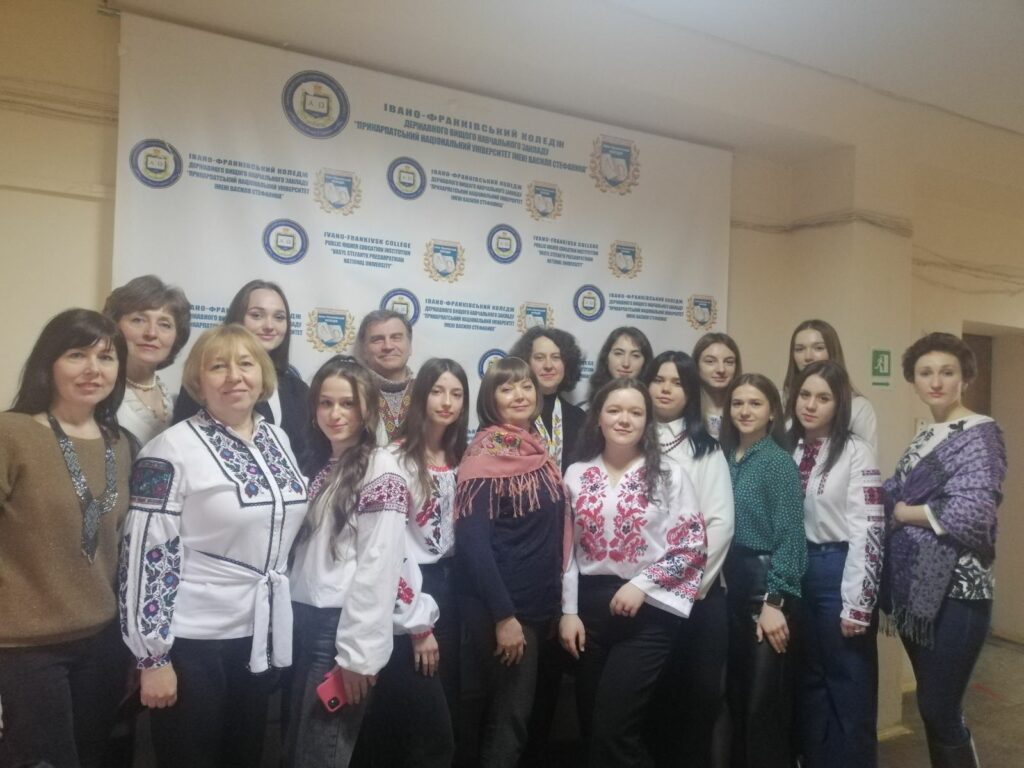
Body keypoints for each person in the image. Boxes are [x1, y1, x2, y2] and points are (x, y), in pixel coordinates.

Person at [119, 324, 308, 768]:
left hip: (257, 632)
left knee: (246, 753)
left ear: (262, 375)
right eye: (218, 366)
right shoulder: (169, 450)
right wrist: (153, 657)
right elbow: (146, 553)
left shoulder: (276, 439)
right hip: (193, 639)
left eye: (246, 364)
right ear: (197, 382)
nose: (235, 376)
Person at [0, 309, 132, 768]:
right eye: (77, 355)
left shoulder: (121, 443)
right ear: (49, 363)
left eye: (106, 357)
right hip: (26, 647)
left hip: (102, 642)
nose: (93, 369)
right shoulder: (11, 433)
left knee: (93, 756)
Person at [560, 378, 707, 768]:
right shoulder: (575, 474)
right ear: (598, 417)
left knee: (614, 731)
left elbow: (692, 546)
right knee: (592, 728)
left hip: (648, 612)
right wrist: (569, 611)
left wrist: (641, 585)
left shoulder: (670, 474)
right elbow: (566, 551)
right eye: (614, 410)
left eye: (635, 412)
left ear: (647, 421)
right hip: (588, 613)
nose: (624, 419)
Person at [882, 333, 1006, 768]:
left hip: (959, 594)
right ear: (913, 380)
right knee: (934, 710)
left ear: (964, 378)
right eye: (926, 372)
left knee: (940, 708)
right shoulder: (924, 436)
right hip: (918, 590)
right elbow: (896, 490)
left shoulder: (981, 433)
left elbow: (974, 512)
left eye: (947, 372)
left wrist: (903, 511)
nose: (936, 382)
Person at [287, 356, 412, 768]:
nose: (335, 414)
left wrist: (358, 656)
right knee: (297, 749)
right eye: (326, 403)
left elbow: (380, 566)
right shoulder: (320, 463)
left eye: (348, 403)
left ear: (367, 409)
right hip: (304, 622)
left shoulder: (382, 467)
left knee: (321, 754)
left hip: (338, 631)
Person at [353, 359, 468, 768]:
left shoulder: (462, 457)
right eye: (437, 391)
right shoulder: (394, 458)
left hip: (453, 590)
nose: (447, 401)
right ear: (420, 397)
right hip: (410, 591)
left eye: (456, 393)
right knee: (419, 726)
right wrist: (416, 624)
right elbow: (390, 548)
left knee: (441, 708)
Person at [454, 357, 565, 768]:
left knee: (518, 713)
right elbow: (474, 544)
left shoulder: (534, 449)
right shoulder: (485, 455)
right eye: (507, 388)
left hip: (535, 606)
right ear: (490, 399)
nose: (520, 395)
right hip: (503, 608)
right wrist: (504, 616)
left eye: (526, 386)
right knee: (510, 717)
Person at [786, 361, 885, 768]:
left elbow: (869, 529)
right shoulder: (789, 446)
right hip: (798, 571)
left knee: (850, 684)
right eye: (805, 395)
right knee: (809, 680)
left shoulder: (855, 450)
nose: (810, 405)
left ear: (839, 404)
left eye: (823, 398)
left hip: (839, 570)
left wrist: (858, 604)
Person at [643, 351, 735, 768]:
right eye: (658, 380)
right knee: (651, 705)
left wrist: (685, 585)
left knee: (696, 703)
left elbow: (720, 524)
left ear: (691, 392)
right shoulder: (632, 438)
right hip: (645, 595)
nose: (665, 389)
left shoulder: (705, 448)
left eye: (677, 382)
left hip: (698, 598)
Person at [719, 373, 805, 768]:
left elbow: (791, 536)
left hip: (764, 589)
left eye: (755, 403)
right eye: (738, 403)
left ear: (772, 412)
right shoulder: (724, 458)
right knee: (734, 700)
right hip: (728, 590)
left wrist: (775, 601)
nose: (745, 410)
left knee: (761, 705)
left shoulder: (778, 462)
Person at [174, 279, 309, 459]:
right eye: (257, 315)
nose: (269, 326)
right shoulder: (209, 380)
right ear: (237, 318)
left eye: (279, 317)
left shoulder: (298, 389)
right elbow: (182, 446)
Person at [102, 275, 191, 448]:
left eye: (164, 324)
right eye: (138, 320)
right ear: (114, 325)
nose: (151, 333)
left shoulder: (175, 402)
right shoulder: (100, 395)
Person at [782, 319, 878, 454]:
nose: (808, 357)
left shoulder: (858, 406)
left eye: (818, 348)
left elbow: (867, 458)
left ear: (832, 352)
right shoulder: (781, 399)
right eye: (799, 349)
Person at [509, 326, 586, 472]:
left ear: (567, 364)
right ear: (526, 362)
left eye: (556, 357)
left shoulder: (579, 418)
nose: (548, 366)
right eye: (539, 358)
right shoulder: (510, 414)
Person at [356, 309, 416, 444]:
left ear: (410, 346)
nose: (388, 346)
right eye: (377, 340)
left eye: (396, 337)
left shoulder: (427, 393)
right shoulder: (352, 394)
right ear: (364, 350)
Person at [692, 332, 742, 439]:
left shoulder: (745, 410)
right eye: (710, 361)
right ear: (696, 365)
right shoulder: (685, 409)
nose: (721, 369)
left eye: (729, 362)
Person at [586, 326, 652, 404]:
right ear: (606, 357)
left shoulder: (653, 405)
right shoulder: (585, 408)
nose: (626, 363)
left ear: (645, 362)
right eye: (618, 353)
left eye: (635, 355)